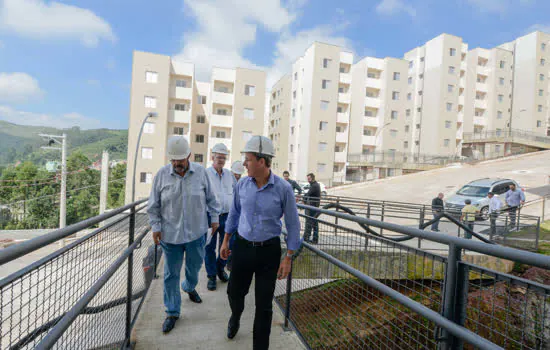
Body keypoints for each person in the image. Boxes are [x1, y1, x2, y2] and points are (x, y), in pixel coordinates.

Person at [220, 135, 300, 349]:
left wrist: (289, 257)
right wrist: (226, 240)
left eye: (248, 159)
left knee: (264, 306)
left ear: (262, 162)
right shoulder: (242, 185)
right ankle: (235, 316)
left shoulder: (283, 189)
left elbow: (293, 224)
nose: (244, 164)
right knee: (234, 293)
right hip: (243, 248)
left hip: (269, 252)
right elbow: (234, 213)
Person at [147, 135, 221, 334]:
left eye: (180, 159)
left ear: (188, 155)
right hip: (170, 236)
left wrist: (214, 219)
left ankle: (189, 286)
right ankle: (172, 311)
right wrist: (155, 227)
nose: (177, 163)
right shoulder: (161, 176)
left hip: (197, 233)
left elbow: (212, 200)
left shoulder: (201, 173)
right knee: (171, 274)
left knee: (195, 268)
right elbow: (153, 207)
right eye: (173, 160)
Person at [204, 143, 236, 291]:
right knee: (209, 247)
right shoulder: (205, 174)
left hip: (228, 216)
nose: (221, 160)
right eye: (218, 157)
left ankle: (220, 268)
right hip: (210, 217)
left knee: (228, 245)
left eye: (223, 158)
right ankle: (211, 276)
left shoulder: (229, 175)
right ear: (212, 157)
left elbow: (237, 193)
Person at [303, 173, 321, 244]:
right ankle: (314, 239)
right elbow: (307, 194)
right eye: (307, 179)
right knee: (314, 223)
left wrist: (304, 200)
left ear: (312, 178)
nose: (308, 180)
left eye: (309, 179)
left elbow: (307, 194)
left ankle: (307, 238)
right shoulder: (314, 185)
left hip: (312, 207)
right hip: (313, 206)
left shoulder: (314, 186)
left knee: (310, 222)